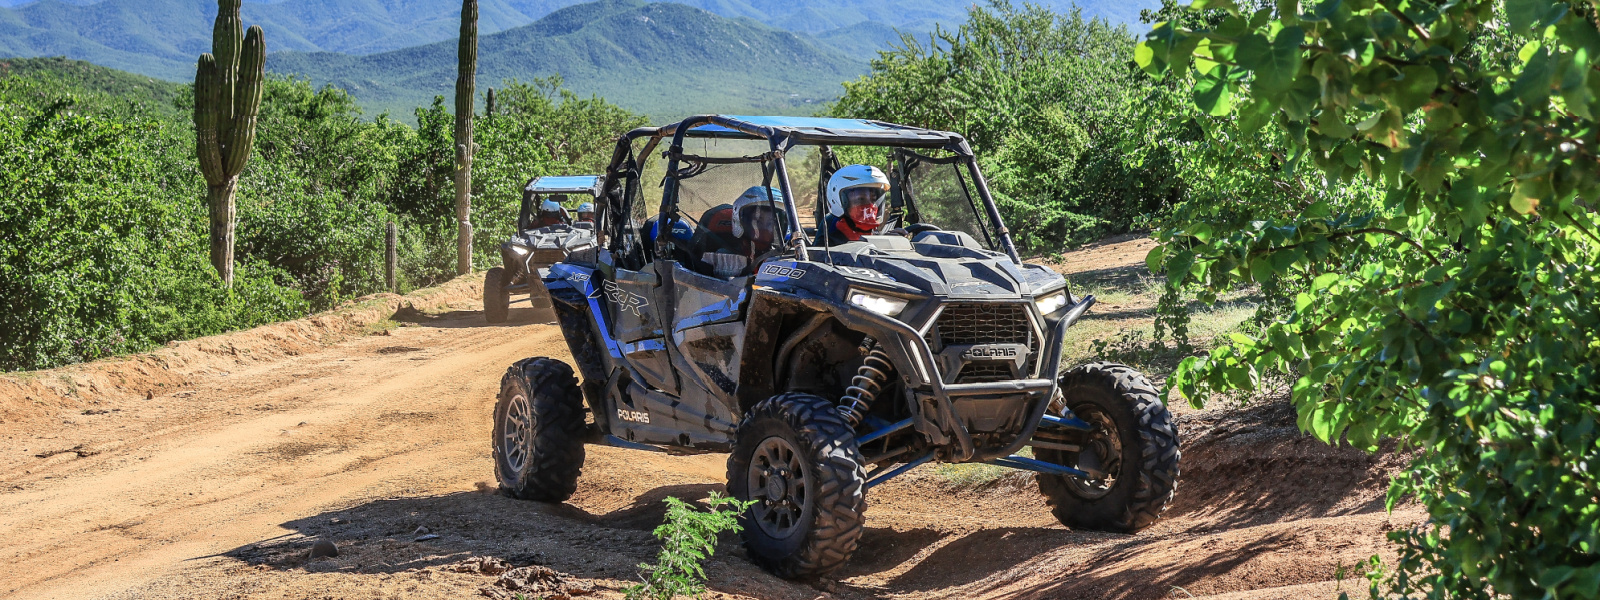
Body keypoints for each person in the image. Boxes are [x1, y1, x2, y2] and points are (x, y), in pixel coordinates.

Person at [702, 186, 785, 278]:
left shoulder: (783, 257)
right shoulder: (724, 259)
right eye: (758, 221)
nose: (765, 228)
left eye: (771, 223)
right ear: (739, 221)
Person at [817, 165, 889, 245]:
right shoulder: (830, 235)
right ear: (837, 200)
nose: (870, 206)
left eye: (874, 200)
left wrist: (891, 240)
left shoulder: (875, 232)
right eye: (861, 199)